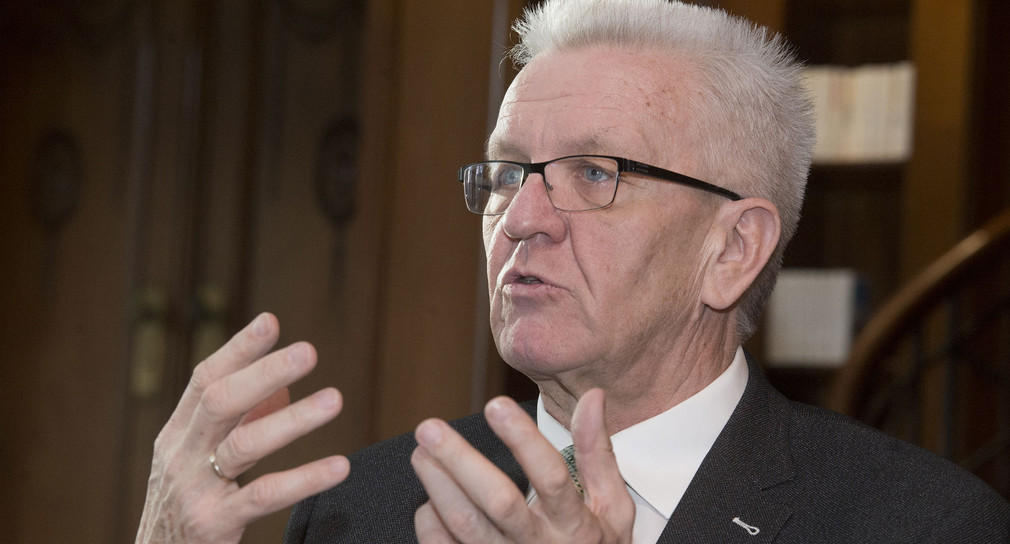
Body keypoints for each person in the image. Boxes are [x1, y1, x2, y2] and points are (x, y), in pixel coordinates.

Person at [136, 0, 1010, 542]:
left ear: (733, 250)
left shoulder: (920, 525)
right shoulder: (361, 509)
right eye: (507, 174)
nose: (520, 220)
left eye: (596, 175)